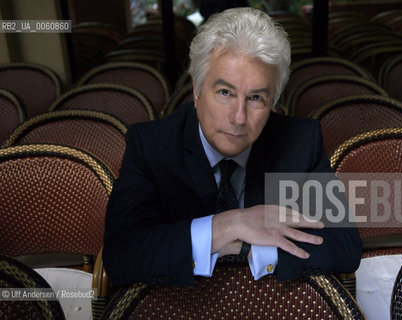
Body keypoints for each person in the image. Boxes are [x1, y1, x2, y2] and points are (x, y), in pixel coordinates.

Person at [103, 7, 361, 287]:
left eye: (256, 98)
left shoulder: (300, 141)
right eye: (225, 92)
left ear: (273, 102)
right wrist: (228, 224)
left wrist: (245, 247)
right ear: (197, 91)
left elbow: (344, 246)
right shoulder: (151, 145)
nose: (239, 118)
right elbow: (122, 256)